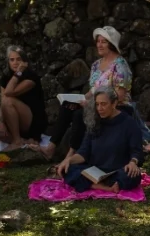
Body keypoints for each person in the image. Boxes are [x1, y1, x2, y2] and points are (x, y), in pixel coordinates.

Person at [39, 26, 133, 160]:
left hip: (116, 106)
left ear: (111, 44)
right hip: (96, 104)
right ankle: (51, 148)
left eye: (103, 42)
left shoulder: (120, 66)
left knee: (79, 115)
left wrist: (92, 104)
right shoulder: (96, 65)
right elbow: (93, 90)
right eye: (98, 41)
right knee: (67, 107)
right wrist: (80, 100)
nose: (99, 45)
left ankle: (72, 154)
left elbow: (120, 95)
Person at [56, 88, 144, 194]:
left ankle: (96, 184)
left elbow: (137, 151)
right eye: (97, 104)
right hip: (95, 170)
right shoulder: (94, 122)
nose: (99, 108)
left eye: (103, 104)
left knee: (133, 175)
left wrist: (133, 163)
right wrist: (68, 160)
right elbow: (83, 152)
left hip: (117, 171)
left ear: (114, 103)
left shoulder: (129, 123)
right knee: (68, 169)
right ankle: (105, 186)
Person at [0, 46, 48, 151]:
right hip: (14, 119)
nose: (15, 62)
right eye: (12, 60)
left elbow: (9, 92)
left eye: (18, 59)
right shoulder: (5, 77)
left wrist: (18, 73)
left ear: (24, 61)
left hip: (33, 120)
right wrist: (1, 123)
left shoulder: (31, 76)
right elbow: (2, 102)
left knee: (8, 100)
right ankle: (18, 139)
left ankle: (17, 141)